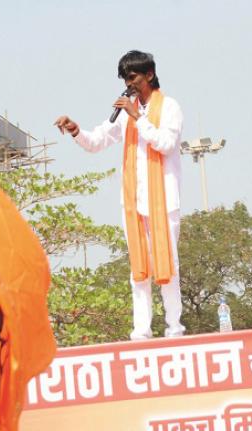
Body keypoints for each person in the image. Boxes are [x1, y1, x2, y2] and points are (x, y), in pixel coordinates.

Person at [54, 50, 185, 340]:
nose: (130, 84)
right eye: (126, 79)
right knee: (139, 269)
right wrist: (76, 131)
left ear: (149, 75)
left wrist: (138, 117)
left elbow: (165, 143)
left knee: (168, 264)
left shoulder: (169, 107)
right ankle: (141, 330)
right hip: (134, 203)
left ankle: (174, 328)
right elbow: (98, 141)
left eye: (134, 78)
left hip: (164, 201)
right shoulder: (126, 115)